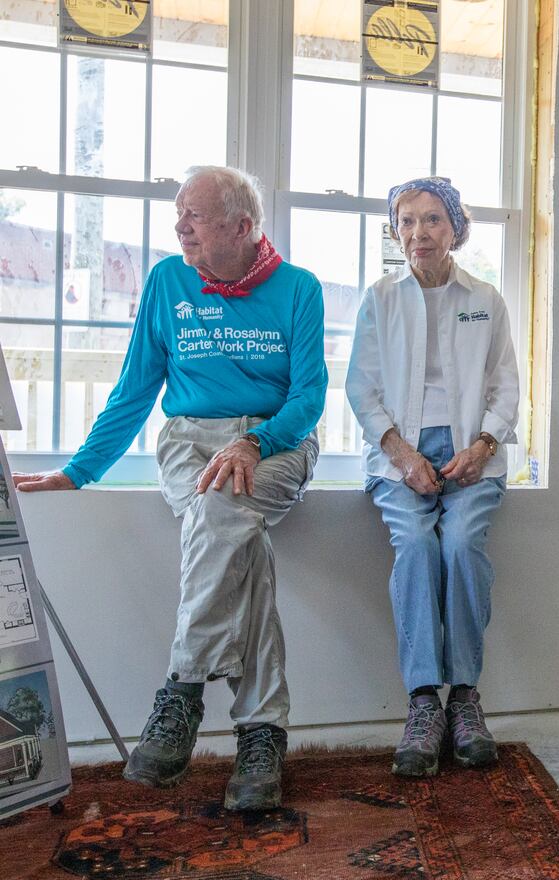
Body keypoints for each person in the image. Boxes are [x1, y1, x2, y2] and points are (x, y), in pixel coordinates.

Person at [14, 165, 328, 810]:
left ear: (242, 226)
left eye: (194, 214)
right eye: (178, 212)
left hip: (277, 441)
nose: (179, 225)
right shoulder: (167, 281)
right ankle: (261, 733)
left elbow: (310, 396)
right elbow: (136, 387)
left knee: (224, 512)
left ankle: (182, 688)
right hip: (190, 440)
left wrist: (257, 442)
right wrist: (80, 470)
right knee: (239, 538)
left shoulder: (299, 288)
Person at [345, 176, 519, 778]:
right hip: (402, 456)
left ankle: (465, 698)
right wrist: (401, 454)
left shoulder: (485, 298)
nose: (418, 232)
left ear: (454, 228)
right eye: (406, 222)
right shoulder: (380, 298)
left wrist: (481, 446)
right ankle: (424, 702)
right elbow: (360, 390)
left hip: (472, 453)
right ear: (396, 232)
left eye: (431, 220)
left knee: (464, 545)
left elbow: (505, 386)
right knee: (418, 545)